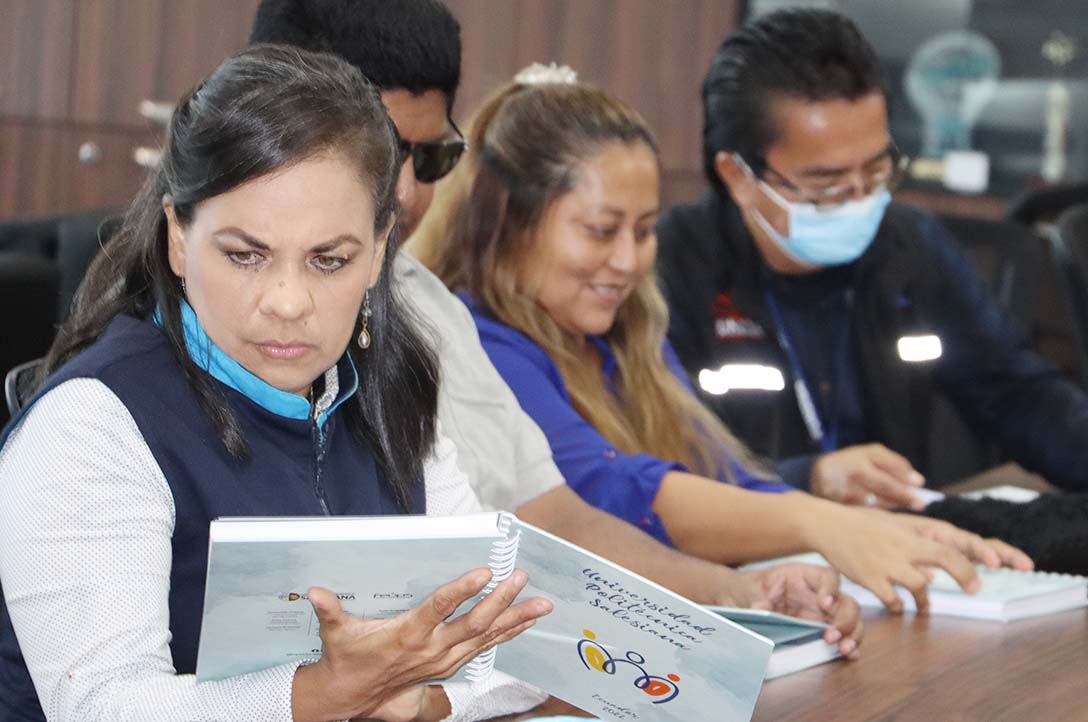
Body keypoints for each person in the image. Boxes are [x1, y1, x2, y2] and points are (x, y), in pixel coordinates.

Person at [248, 0, 869, 638]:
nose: (405, 194)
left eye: (429, 159)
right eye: (379, 150)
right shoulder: (217, 323)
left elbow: (551, 517)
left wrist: (745, 591)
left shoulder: (428, 309)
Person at [0, 46, 553, 722]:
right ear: (178, 238)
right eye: (244, 255)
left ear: (379, 249)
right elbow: (99, 704)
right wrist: (324, 695)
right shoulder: (92, 425)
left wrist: (420, 702)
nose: (288, 301)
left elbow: (521, 643)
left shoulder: (390, 389)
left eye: (330, 259)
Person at [415, 69, 1034, 613]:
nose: (629, 261)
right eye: (602, 231)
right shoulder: (482, 344)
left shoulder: (626, 336)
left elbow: (724, 474)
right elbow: (605, 489)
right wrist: (819, 524)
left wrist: (878, 529)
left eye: (646, 230)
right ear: (507, 224)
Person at [656, 8, 1088, 525]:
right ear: (738, 176)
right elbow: (655, 471)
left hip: (892, 570)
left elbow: (1012, 385)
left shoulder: (908, 246)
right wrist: (805, 478)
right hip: (739, 580)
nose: (862, 199)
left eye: (876, 169)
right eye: (827, 185)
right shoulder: (667, 273)